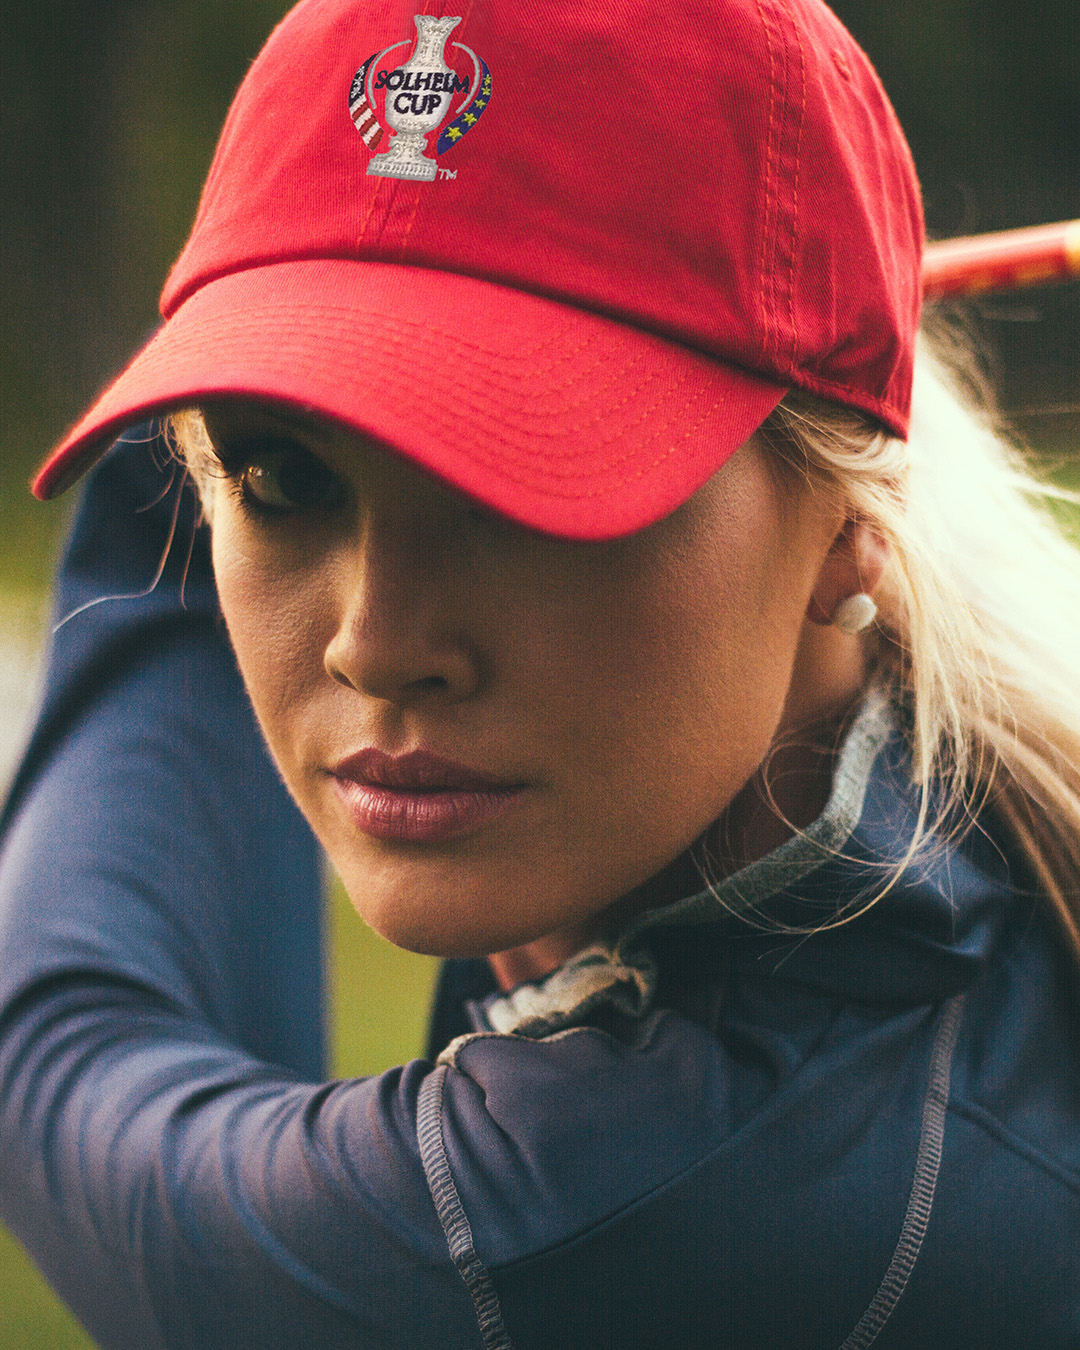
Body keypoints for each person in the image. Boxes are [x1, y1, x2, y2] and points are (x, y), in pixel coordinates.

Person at [2, 0, 1079, 1346]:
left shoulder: (653, 1199)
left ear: (850, 525)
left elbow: (65, 1069)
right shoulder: (946, 787)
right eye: (281, 477)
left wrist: (169, 446)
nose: (375, 644)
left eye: (531, 493)